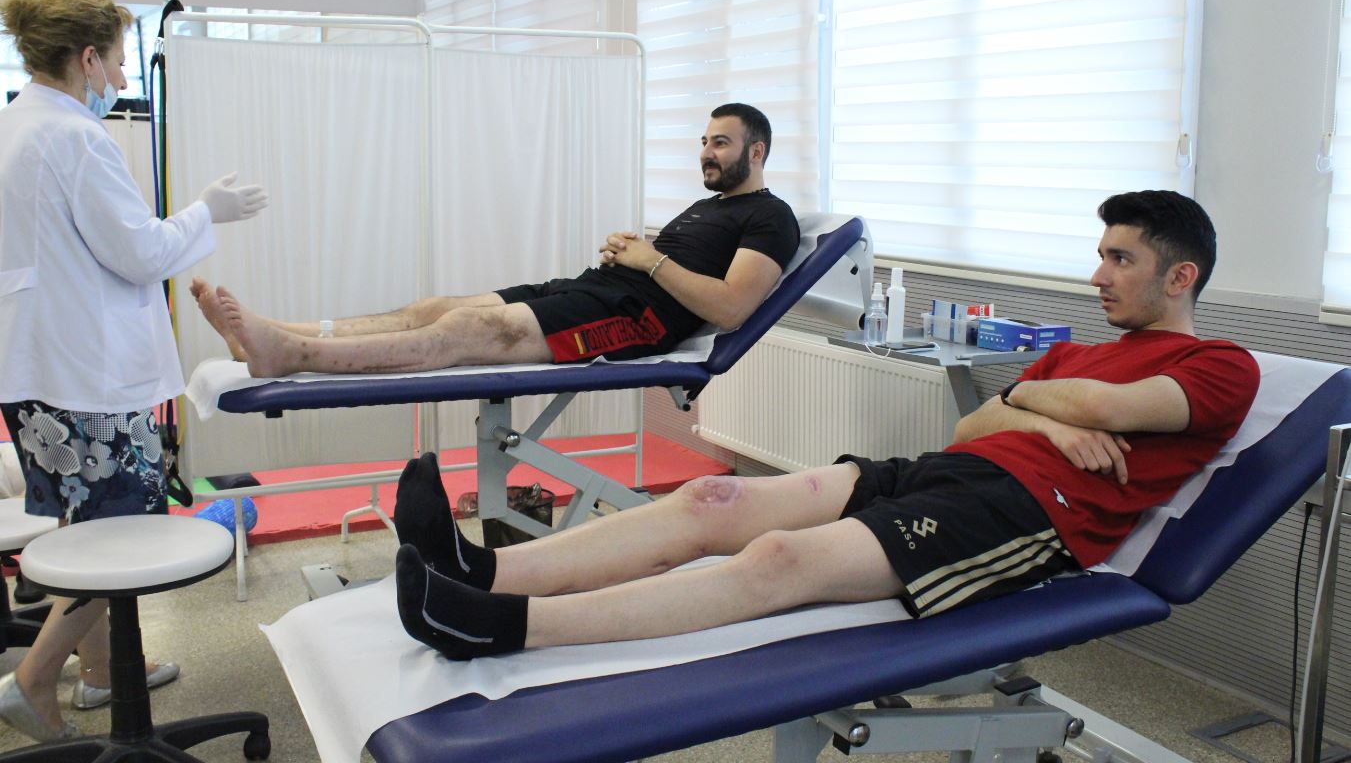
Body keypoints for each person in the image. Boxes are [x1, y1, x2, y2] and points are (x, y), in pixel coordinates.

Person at [389, 189, 1260, 660]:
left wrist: (1035, 409)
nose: (1097, 274)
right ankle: (483, 568)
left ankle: (503, 628)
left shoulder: (1220, 365)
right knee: (712, 500)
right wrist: (1042, 413)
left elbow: (1104, 411)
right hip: (949, 471)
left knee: (778, 559)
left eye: (1119, 259)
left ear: (1179, 276)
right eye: (1100, 254)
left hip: (1029, 518)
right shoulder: (1071, 355)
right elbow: (972, 429)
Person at [0, 0, 268, 741]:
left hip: (38, 370)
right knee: (120, 533)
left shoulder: (14, 126)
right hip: (86, 376)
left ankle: (101, 672)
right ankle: (33, 679)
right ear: (87, 58)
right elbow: (140, 253)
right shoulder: (74, 138)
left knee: (88, 530)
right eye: (117, 61)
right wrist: (206, 211)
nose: (121, 78)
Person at [192, 102, 800, 377]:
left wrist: (650, 260)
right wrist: (632, 254)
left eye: (720, 143)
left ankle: (290, 355)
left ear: (757, 151)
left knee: (464, 331)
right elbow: (670, 266)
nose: (706, 152)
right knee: (435, 307)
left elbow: (731, 307)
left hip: (634, 321)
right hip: (598, 291)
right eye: (703, 141)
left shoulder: (771, 217)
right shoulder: (710, 206)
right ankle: (274, 334)